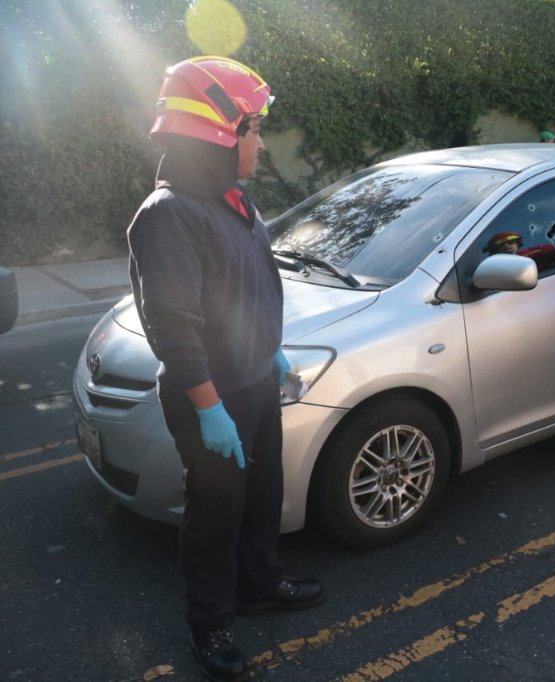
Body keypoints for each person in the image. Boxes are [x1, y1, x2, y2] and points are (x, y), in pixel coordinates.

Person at [127, 56, 324, 681]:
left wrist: (271, 348)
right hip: (210, 397)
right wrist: (209, 407)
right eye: (254, 130)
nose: (261, 143)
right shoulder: (168, 216)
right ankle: (209, 625)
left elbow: (250, 289)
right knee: (214, 515)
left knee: (264, 496)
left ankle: (259, 584)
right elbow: (173, 325)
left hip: (255, 381)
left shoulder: (235, 202)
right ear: (220, 135)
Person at [484, 231, 555, 271]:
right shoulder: (492, 268)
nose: (507, 245)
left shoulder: (541, 250)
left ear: (518, 244)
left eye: (511, 241)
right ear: (495, 250)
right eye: (501, 244)